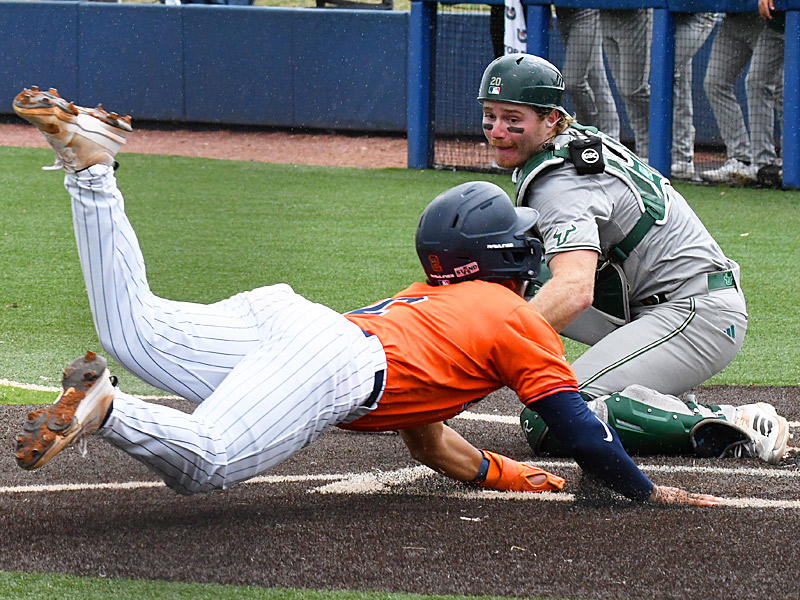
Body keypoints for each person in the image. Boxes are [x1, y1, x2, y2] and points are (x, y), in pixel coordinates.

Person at [11, 86, 719, 507]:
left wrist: (505, 474)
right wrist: (644, 490)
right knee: (207, 463)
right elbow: (579, 428)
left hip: (291, 321)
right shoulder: (512, 318)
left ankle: (93, 167)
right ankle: (109, 408)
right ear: (504, 257)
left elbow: (429, 437)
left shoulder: (432, 300)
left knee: (129, 329)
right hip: (334, 364)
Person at [477, 54, 789, 463]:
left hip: (695, 315)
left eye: (513, 119)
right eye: (489, 116)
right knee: (503, 274)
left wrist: (486, 362)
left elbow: (574, 291)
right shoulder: (572, 142)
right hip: (665, 304)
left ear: (551, 118)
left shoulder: (560, 185)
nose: (498, 131)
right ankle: (652, 389)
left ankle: (738, 421)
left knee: (552, 417)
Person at [700, 9, 784, 184]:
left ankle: (772, 163)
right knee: (715, 83)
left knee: (771, 86)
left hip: (763, 19)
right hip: (733, 17)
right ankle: (741, 159)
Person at [556, 7, 620, 139]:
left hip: (585, 10)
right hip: (563, 13)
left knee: (573, 81)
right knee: (596, 78)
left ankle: (591, 133)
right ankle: (608, 137)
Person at [670, 12, 719, 181]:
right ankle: (681, 156)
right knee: (676, 78)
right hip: (672, 16)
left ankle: (682, 156)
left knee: (665, 71)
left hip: (699, 12)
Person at [599, 9, 651, 160]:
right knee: (625, 91)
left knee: (633, 90)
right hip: (605, 16)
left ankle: (669, 133)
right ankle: (644, 151)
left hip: (632, 15)